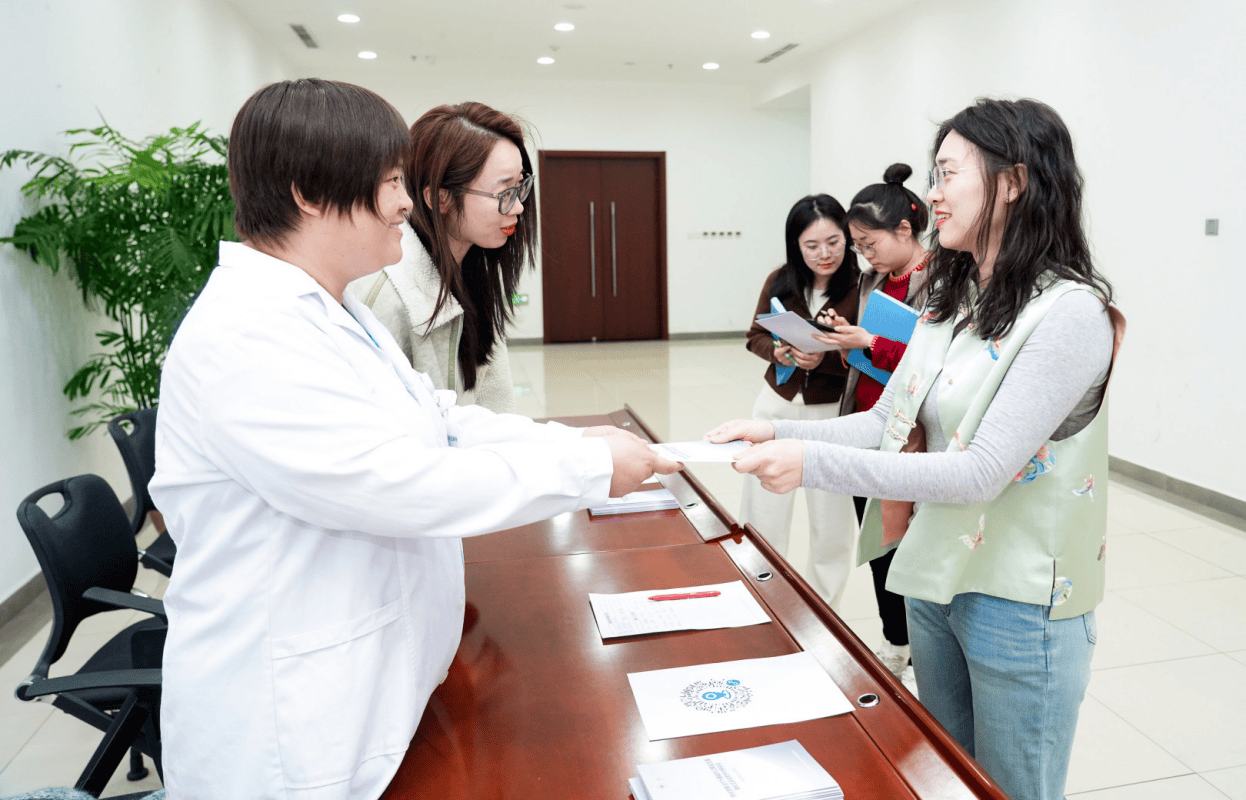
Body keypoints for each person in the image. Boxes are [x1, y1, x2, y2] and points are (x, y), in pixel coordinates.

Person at [149, 78, 679, 800]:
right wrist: (585, 468)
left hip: (375, 693)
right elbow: (394, 485)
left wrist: (571, 444)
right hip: (290, 734)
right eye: (392, 182)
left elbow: (442, 418)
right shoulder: (247, 336)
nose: (407, 201)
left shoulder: (333, 313)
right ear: (310, 191)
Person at [708, 97, 1123, 800]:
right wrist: (779, 431)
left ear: (1014, 181)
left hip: (1018, 604)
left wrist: (808, 463)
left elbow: (981, 472)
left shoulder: (1070, 313)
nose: (932, 194)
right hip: (934, 579)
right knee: (946, 780)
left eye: (949, 173)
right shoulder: (948, 302)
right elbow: (886, 426)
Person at [815, 164, 932, 681]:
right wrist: (849, 339)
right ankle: (895, 640)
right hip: (866, 421)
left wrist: (870, 343)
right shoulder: (874, 281)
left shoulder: (943, 281)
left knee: (912, 541)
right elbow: (869, 353)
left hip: (911, 436)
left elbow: (936, 361)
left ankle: (924, 644)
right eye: (859, 245)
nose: (864, 255)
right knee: (877, 541)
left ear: (904, 231)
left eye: (869, 243)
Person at [349, 102, 533, 412]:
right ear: (440, 198)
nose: (518, 208)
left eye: (520, 187)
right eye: (504, 193)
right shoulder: (388, 297)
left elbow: (494, 405)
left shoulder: (473, 266)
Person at [740, 194, 860, 606]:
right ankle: (763, 599)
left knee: (832, 526)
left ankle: (824, 610)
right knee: (764, 513)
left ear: (848, 238)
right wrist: (777, 351)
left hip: (831, 416)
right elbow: (754, 335)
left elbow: (872, 356)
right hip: (774, 409)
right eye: (811, 246)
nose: (824, 254)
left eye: (834, 242)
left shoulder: (862, 288)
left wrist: (824, 358)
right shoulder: (779, 279)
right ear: (796, 246)